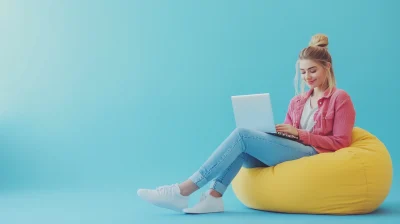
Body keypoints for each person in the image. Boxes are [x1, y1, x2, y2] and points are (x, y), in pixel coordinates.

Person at [137, 34, 356, 214]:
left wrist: (299, 134)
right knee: (242, 147)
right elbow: (289, 135)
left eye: (313, 70)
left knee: (242, 135)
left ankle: (182, 191)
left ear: (327, 67)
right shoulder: (297, 101)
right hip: (294, 149)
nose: (307, 76)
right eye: (303, 72)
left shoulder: (340, 98)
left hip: (313, 153)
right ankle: (214, 197)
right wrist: (275, 132)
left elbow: (341, 142)